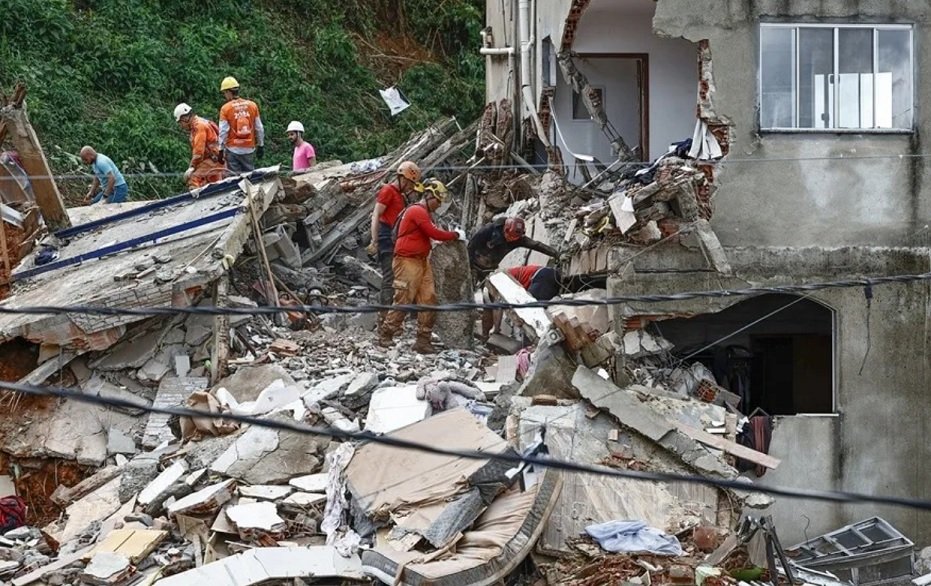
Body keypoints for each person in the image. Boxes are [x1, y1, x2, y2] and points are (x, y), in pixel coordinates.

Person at [378, 179, 463, 354]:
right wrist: (455, 235)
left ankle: (423, 340)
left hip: (421, 260)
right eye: (438, 200)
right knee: (403, 299)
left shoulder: (424, 213)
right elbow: (434, 233)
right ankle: (386, 334)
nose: (439, 205)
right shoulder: (417, 211)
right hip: (407, 260)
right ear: (430, 196)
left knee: (429, 299)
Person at [366, 161, 422, 310]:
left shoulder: (400, 196)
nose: (411, 187)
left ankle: (394, 311)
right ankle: (384, 312)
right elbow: (376, 214)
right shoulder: (388, 191)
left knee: (398, 275)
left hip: (395, 239)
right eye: (410, 184)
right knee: (389, 276)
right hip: (386, 237)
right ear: (403, 179)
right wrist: (374, 240)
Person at [468, 216, 559, 281]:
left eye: (513, 238)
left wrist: (556, 254)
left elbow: (536, 245)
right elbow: (471, 245)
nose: (510, 239)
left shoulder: (519, 240)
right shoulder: (489, 230)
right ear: (505, 229)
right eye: (509, 236)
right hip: (474, 264)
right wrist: (469, 265)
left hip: (490, 269)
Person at [218, 76, 265, 173]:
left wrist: (220, 150)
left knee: (235, 178)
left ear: (228, 92)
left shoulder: (225, 109)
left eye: (224, 93)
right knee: (250, 176)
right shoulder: (252, 105)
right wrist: (261, 145)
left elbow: (223, 131)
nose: (225, 95)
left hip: (232, 149)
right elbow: (259, 128)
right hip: (249, 149)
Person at [174, 103, 227, 189]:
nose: (181, 126)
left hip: (212, 160)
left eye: (181, 122)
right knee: (214, 184)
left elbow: (198, 152)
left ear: (185, 118)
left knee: (193, 178)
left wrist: (192, 167)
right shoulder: (201, 123)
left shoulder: (199, 126)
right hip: (217, 159)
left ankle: (196, 197)